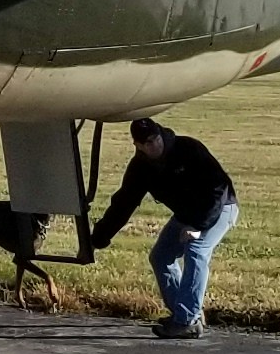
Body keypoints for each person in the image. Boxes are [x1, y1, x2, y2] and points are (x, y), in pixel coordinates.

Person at [88, 117, 236, 340]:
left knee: (196, 250)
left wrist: (197, 226)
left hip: (220, 208)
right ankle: (186, 314)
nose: (154, 145)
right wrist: (99, 237)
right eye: (147, 143)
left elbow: (219, 188)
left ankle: (185, 321)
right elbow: (124, 203)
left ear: (161, 134)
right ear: (138, 146)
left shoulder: (187, 149)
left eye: (155, 138)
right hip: (186, 215)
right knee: (160, 256)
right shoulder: (140, 168)